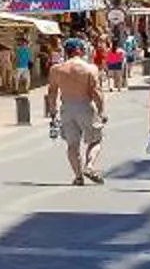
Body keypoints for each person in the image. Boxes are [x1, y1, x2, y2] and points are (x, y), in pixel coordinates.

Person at [46, 39, 107, 185]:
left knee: (72, 145)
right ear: (80, 50)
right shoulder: (90, 68)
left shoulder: (56, 69)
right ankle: (89, 166)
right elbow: (95, 92)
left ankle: (78, 176)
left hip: (67, 108)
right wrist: (101, 110)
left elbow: (52, 92)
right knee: (95, 140)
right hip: (84, 106)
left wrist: (53, 111)